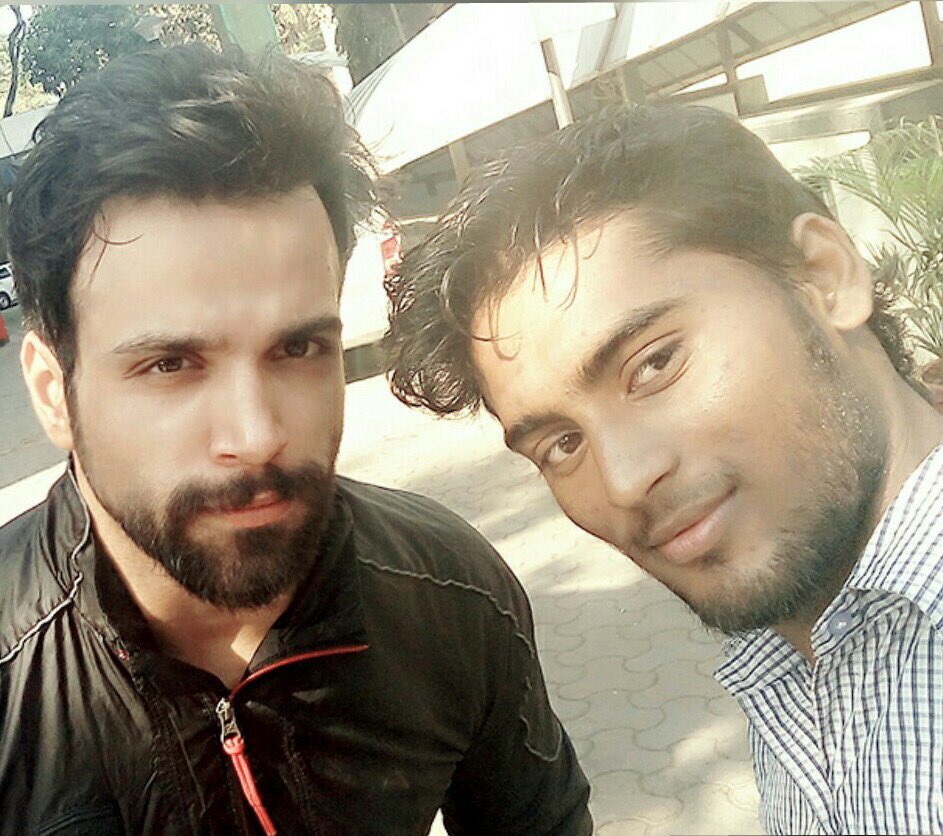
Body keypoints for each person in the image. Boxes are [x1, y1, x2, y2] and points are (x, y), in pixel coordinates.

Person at [0, 45, 592, 836]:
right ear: (53, 392)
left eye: (298, 348)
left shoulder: (449, 595)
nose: (257, 436)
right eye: (170, 364)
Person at [385, 103, 943, 835]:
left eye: (654, 364)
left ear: (824, 276)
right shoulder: (790, 649)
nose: (622, 481)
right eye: (562, 444)